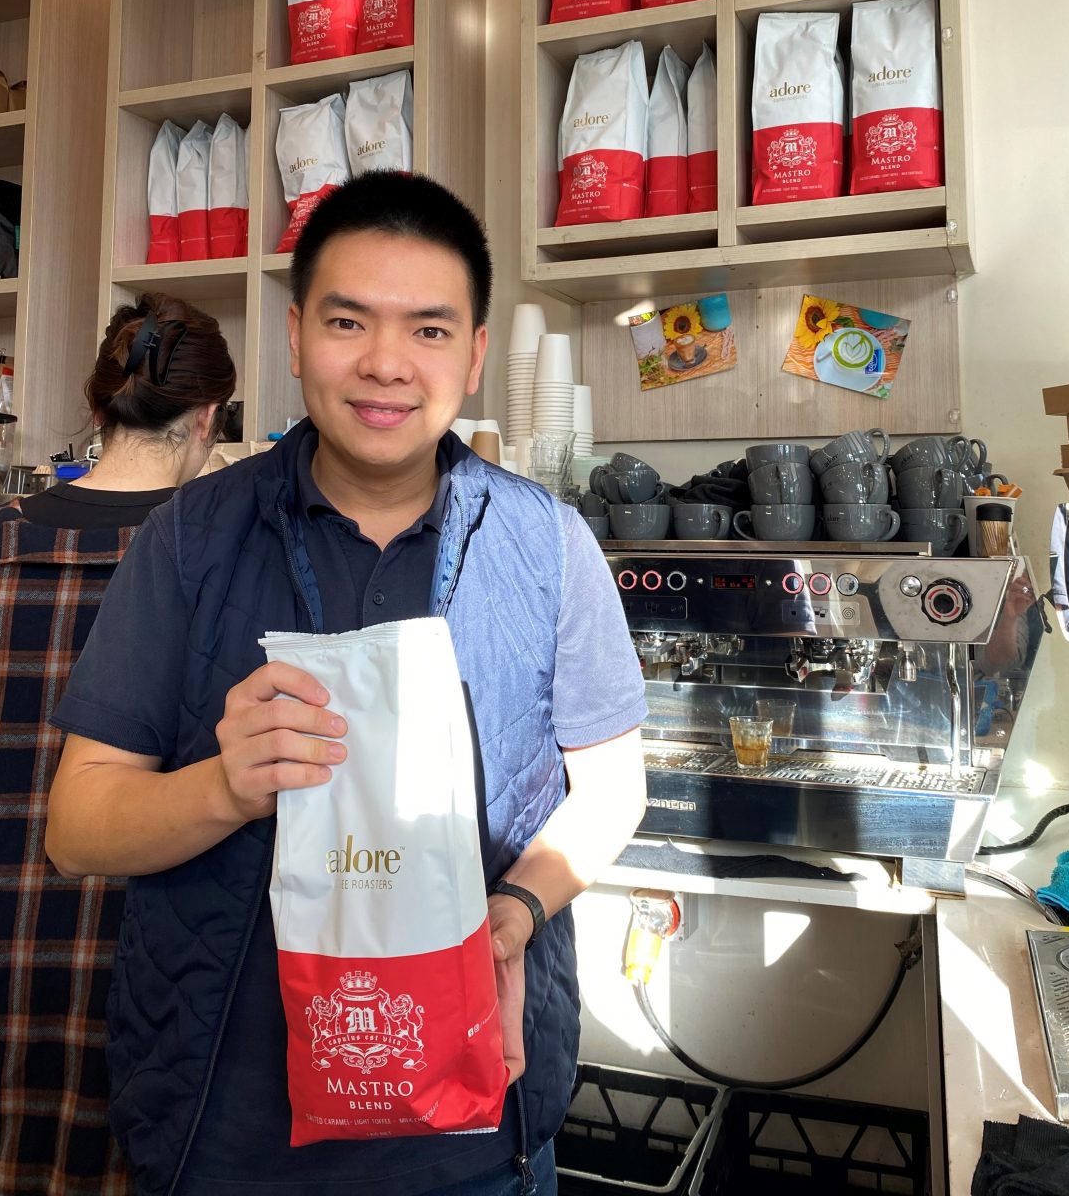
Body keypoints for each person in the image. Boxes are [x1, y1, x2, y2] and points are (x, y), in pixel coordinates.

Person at [46, 172, 648, 1196]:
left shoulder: (548, 544)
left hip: (480, 1134)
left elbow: (614, 789)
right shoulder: (188, 539)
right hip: (225, 1136)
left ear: (475, 353)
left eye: (428, 329)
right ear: (294, 338)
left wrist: (516, 910)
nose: (385, 363)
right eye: (347, 321)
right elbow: (76, 827)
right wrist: (223, 787)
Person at [0, 294, 236, 1196]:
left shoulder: (6, 539)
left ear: (99, 407)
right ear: (209, 418)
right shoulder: (223, 564)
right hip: (151, 965)